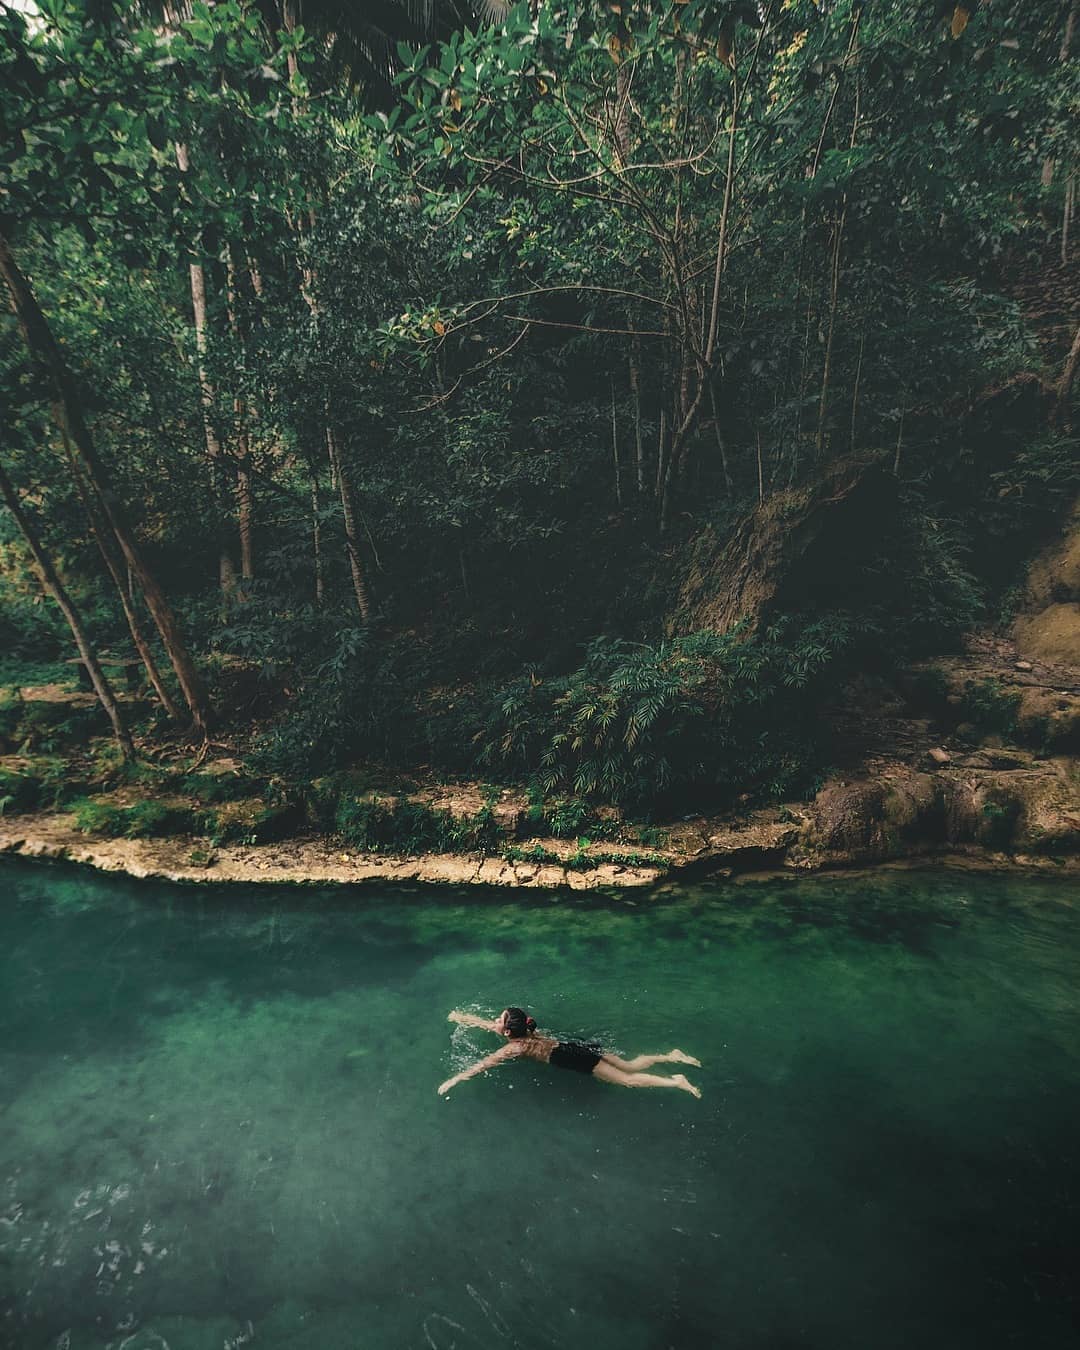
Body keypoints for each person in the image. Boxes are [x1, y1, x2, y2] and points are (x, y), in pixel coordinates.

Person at [438, 1006, 701, 1097]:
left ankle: (674, 1081)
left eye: (499, 1019)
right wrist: (462, 1018)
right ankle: (671, 1055)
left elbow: (484, 1064)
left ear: (508, 1032)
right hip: (575, 1046)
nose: (494, 1021)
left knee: (628, 1081)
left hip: (573, 1059)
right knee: (630, 1065)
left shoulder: (513, 1048)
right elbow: (490, 1026)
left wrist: (456, 1078)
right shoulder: (528, 1032)